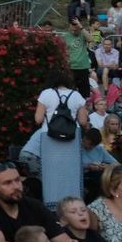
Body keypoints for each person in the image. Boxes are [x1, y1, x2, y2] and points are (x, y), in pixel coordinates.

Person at [34, 70, 88, 207]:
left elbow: (38, 119)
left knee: (51, 173)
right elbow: (83, 122)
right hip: (71, 138)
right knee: (71, 173)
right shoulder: (76, 95)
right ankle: (73, 204)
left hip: (49, 137)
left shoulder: (46, 94)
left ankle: (52, 204)